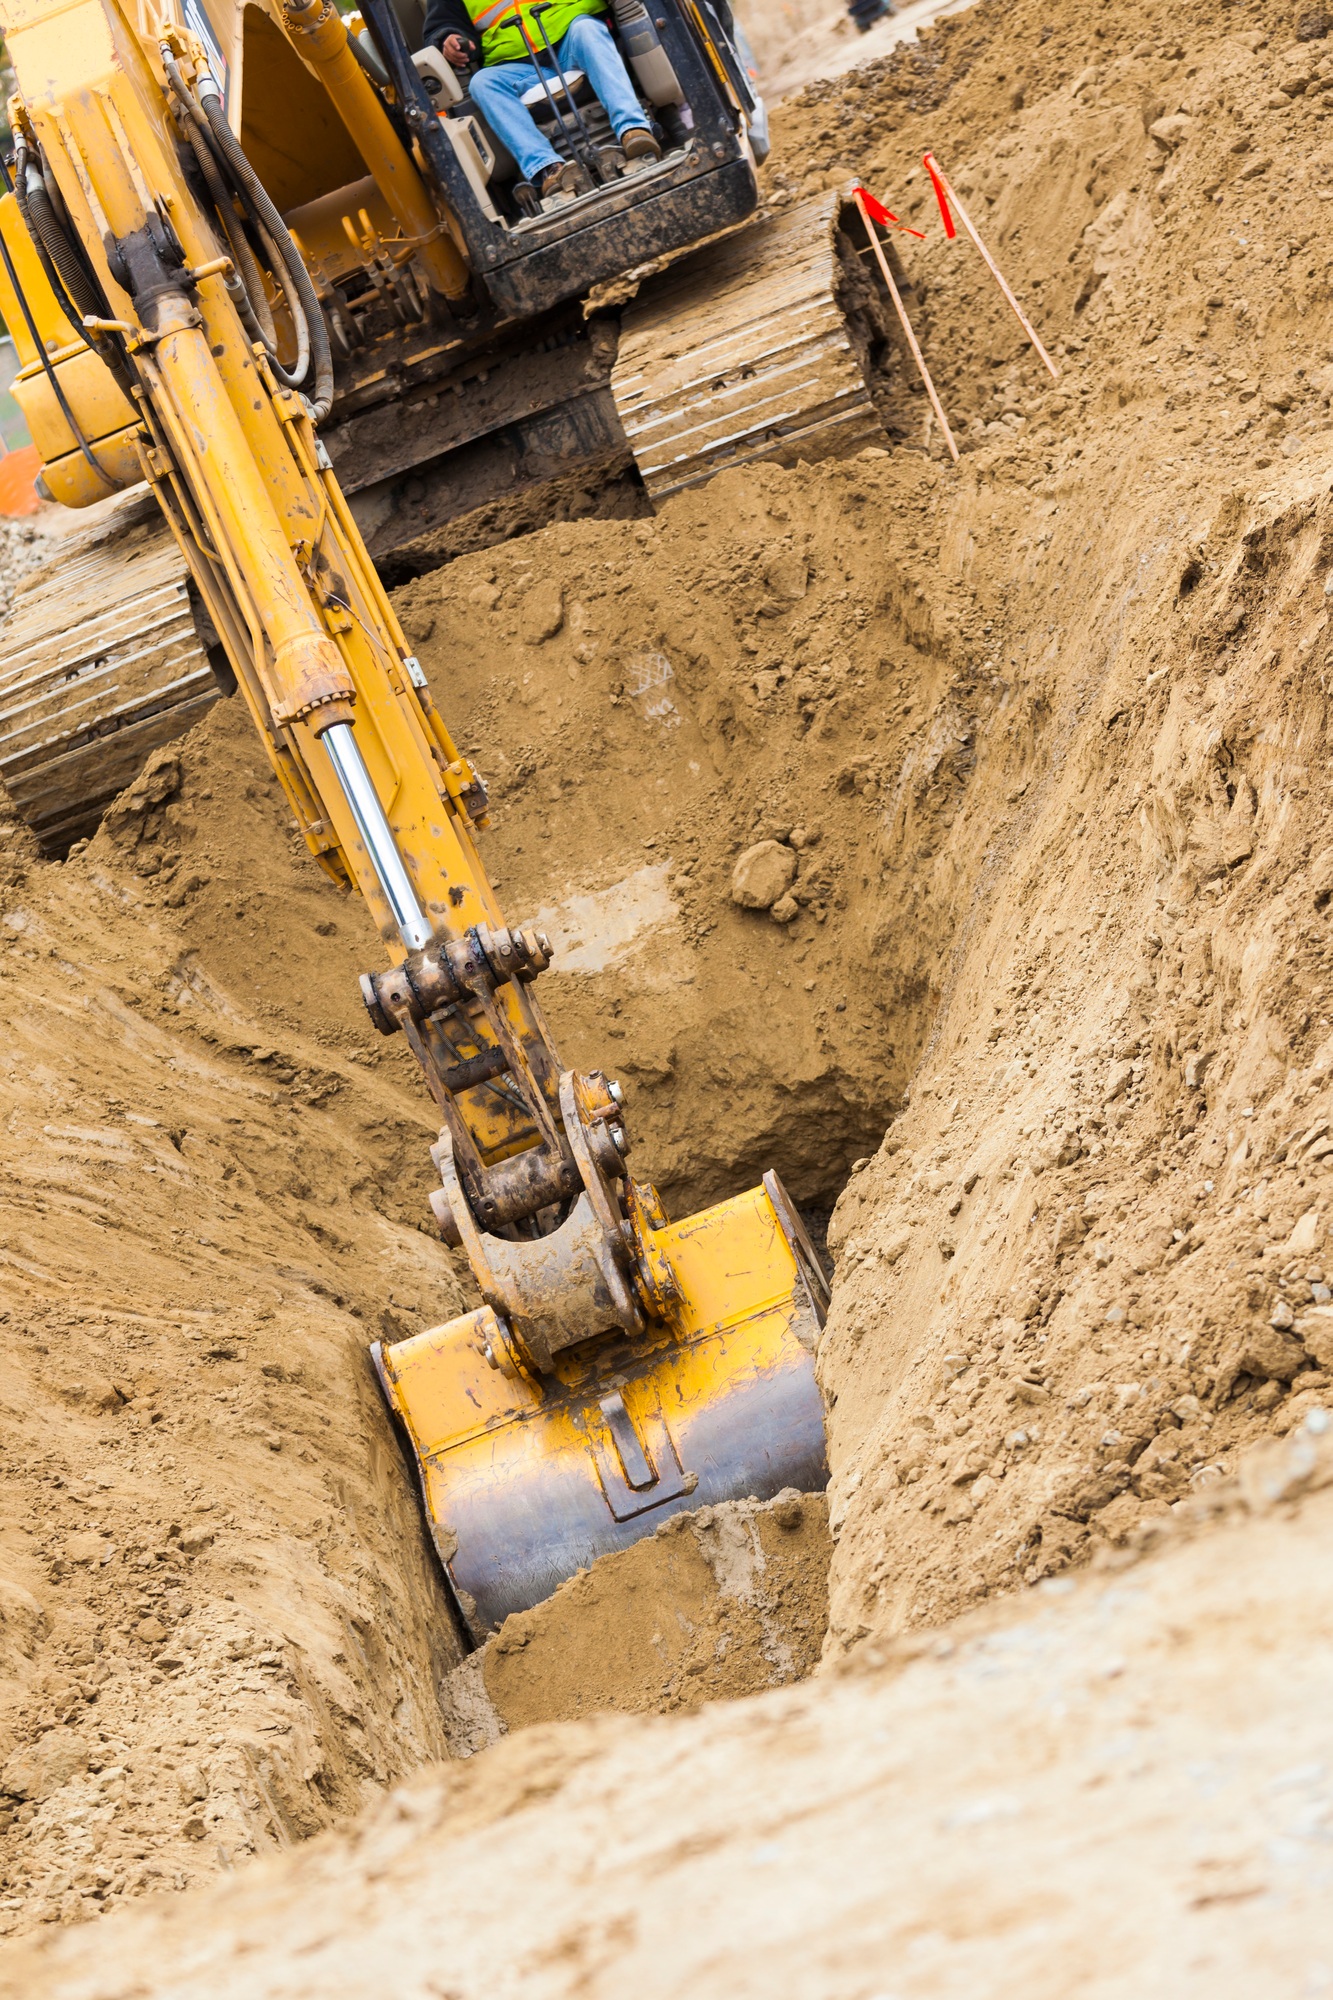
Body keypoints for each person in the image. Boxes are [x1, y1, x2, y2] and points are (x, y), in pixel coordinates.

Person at [423, 0, 662, 201]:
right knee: (482, 83)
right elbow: (442, 25)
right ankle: (548, 169)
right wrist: (448, 39)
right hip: (516, 66)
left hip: (573, 38)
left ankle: (634, 130)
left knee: (588, 29)